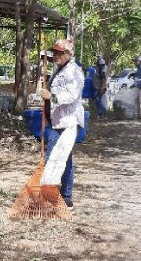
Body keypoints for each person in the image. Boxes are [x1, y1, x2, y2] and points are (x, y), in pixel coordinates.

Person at [40, 38, 85, 210]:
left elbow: (71, 95)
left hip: (67, 122)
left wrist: (50, 96)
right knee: (65, 159)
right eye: (54, 52)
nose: (55, 56)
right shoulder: (59, 69)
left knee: (53, 158)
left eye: (59, 53)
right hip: (55, 120)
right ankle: (64, 196)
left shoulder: (74, 71)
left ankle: (54, 196)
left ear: (68, 54)